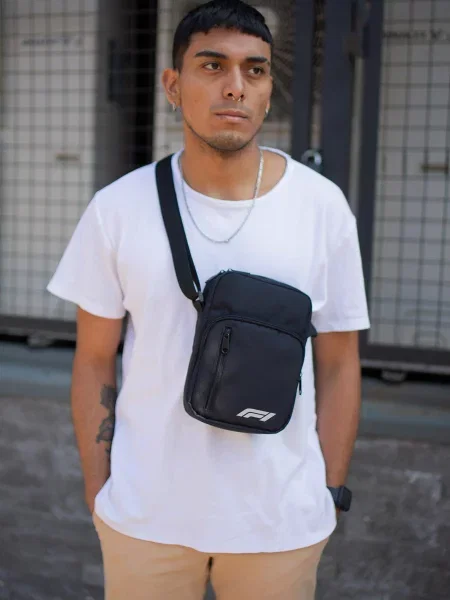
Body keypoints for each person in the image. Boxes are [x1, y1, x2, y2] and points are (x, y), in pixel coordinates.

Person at [47, 1, 370, 598]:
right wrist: (101, 494)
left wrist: (326, 491)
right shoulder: (118, 208)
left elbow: (339, 360)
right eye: (213, 65)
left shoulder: (321, 208)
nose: (235, 86)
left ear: (268, 91)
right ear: (173, 85)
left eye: (255, 70)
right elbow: (93, 358)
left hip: (280, 526)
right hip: (146, 522)